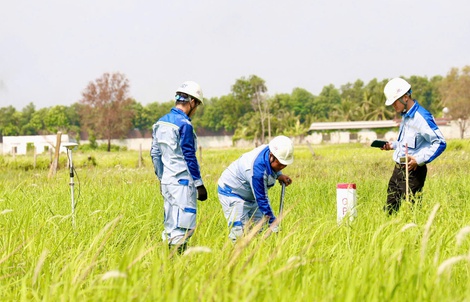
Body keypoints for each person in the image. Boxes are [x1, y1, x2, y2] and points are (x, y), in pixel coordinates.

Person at [150, 81, 207, 253]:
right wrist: (199, 184)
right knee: (184, 228)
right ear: (192, 102)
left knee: (170, 226)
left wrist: (162, 178)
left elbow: (155, 154)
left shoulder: (160, 123)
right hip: (182, 184)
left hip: (167, 182)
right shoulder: (185, 124)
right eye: (196, 105)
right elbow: (189, 156)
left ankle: (167, 266)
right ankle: (176, 266)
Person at [381, 77, 446, 215]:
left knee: (412, 212)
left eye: (394, 103)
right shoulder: (405, 117)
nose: (394, 107)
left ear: (405, 97)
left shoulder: (422, 117)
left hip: (413, 172)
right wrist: (392, 145)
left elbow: (440, 142)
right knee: (390, 210)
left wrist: (419, 159)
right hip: (398, 170)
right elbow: (407, 144)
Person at [217, 135, 294, 241]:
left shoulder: (273, 149)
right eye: (280, 164)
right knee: (240, 233)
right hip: (232, 192)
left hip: (250, 194)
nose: (282, 167)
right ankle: (237, 256)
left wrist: (278, 174)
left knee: (261, 229)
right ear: (272, 156)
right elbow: (262, 199)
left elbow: (271, 168)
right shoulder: (256, 171)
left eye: (284, 165)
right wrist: (274, 224)